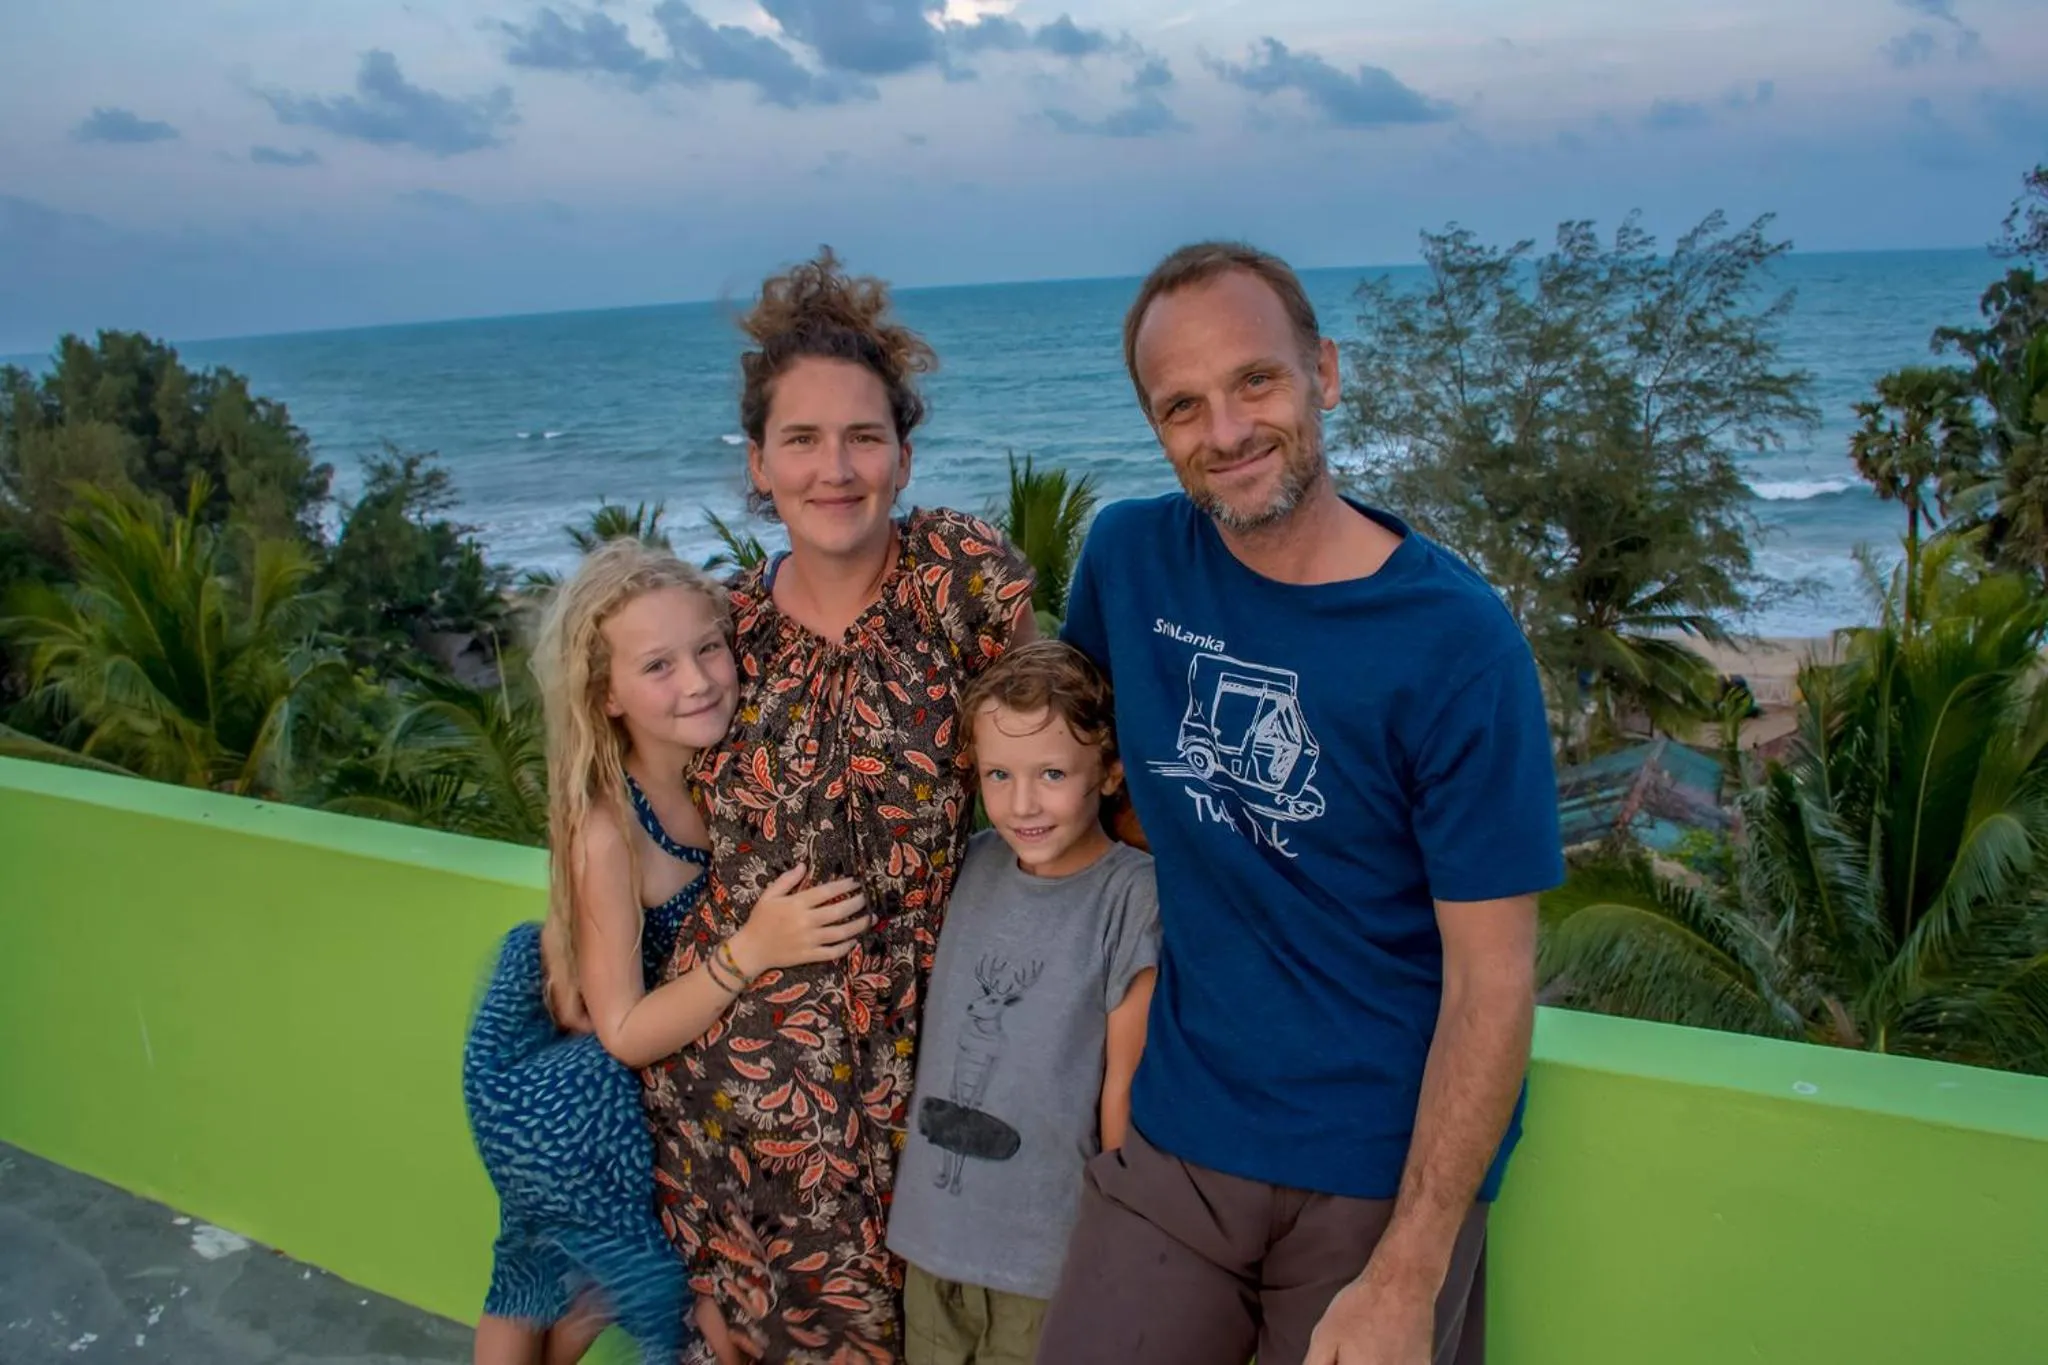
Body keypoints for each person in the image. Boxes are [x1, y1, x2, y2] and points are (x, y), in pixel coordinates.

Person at [1036, 242, 1565, 1365]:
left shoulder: (1455, 644)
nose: (1223, 432)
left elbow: (1493, 979)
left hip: (1377, 1170)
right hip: (1179, 1131)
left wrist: (1408, 1275)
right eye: (1182, 405)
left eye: (1254, 383)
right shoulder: (1126, 561)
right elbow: (1080, 778)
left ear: (1323, 371)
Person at [640, 249, 1038, 1365]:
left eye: (863, 437)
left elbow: (1054, 751)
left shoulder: (958, 580)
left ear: (903, 457)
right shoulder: (717, 641)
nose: (835, 468)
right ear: (758, 465)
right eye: (800, 441)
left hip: (936, 1061)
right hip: (745, 1102)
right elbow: (646, 828)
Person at [462, 539, 872, 1365]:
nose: (698, 681)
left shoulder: (718, 766)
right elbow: (618, 1028)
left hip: (610, 1073)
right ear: (605, 695)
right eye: (657, 667)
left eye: (709, 647)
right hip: (572, 1089)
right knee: (638, 1294)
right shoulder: (611, 829)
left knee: (542, 1274)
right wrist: (751, 949)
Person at [885, 640, 1160, 1365]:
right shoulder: (968, 861)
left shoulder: (1133, 893)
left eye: (1052, 773)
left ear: (1108, 771)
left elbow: (1124, 1082)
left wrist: (1122, 1236)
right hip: (932, 1237)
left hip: (1047, 1252)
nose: (1022, 802)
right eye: (999, 774)